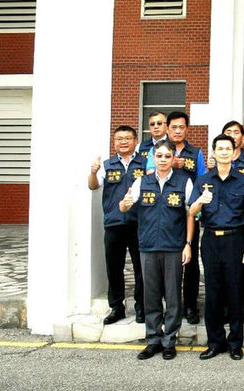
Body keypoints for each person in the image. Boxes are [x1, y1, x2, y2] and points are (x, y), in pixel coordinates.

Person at [120, 140, 194, 360]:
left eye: (167, 156)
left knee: (172, 297)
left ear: (173, 158)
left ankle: (170, 340)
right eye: (158, 156)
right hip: (148, 247)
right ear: (153, 158)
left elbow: (191, 214)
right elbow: (124, 206)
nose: (162, 159)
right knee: (150, 296)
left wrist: (188, 245)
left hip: (173, 247)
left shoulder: (184, 182)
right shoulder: (142, 182)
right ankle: (153, 339)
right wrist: (124, 204)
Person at [188, 134, 244, 361]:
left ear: (234, 152)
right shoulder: (203, 180)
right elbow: (191, 212)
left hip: (235, 239)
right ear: (213, 153)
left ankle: (236, 343)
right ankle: (215, 341)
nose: (224, 152)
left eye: (228, 148)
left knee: (235, 292)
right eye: (220, 149)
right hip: (210, 241)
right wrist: (200, 202)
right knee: (213, 293)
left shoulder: (243, 180)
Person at [147, 111, 206, 325]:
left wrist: (197, 211)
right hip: (163, 214)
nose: (178, 130)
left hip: (188, 213)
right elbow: (149, 174)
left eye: (182, 127)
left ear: (187, 129)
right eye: (174, 127)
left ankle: (190, 306)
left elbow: (202, 180)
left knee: (189, 263)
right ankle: (167, 307)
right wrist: (172, 165)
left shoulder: (196, 152)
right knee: (164, 264)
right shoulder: (159, 151)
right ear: (167, 129)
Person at [88, 125, 147, 325]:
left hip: (139, 223)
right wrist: (93, 172)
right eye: (119, 138)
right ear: (114, 142)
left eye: (128, 138)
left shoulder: (145, 163)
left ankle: (142, 307)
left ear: (135, 141)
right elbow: (93, 186)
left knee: (141, 268)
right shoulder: (107, 164)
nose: (123, 141)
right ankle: (117, 308)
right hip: (114, 223)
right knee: (114, 267)